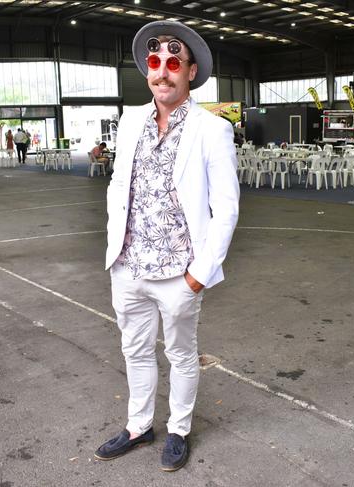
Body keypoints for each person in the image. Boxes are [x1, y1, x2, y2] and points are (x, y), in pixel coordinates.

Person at [95, 20, 240, 472]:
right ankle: (139, 426)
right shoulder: (130, 120)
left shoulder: (212, 129)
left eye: (173, 63)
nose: (163, 72)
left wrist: (200, 272)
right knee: (134, 351)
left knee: (180, 353)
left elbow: (227, 208)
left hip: (180, 273)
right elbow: (120, 185)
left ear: (190, 72)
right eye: (155, 63)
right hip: (129, 267)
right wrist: (116, 252)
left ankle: (178, 429)